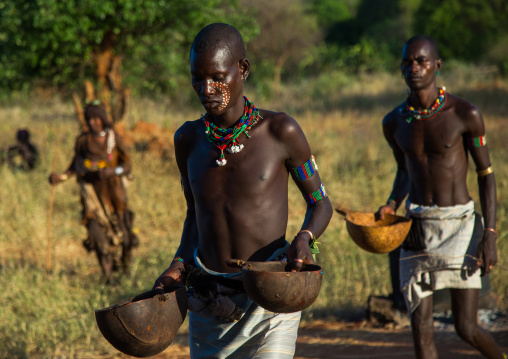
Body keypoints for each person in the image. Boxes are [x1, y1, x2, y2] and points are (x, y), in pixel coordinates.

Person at [152, 23, 332, 359]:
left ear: (242, 69)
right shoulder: (187, 140)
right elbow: (196, 215)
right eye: (196, 78)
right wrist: (179, 264)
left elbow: (320, 202)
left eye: (216, 76)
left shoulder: (281, 131)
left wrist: (305, 238)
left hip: (270, 300)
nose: (206, 89)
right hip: (208, 300)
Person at [376, 35, 504, 358]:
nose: (414, 68)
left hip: (460, 226)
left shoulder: (465, 114)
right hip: (417, 227)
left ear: (437, 65)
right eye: (407, 62)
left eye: (421, 61)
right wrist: (392, 203)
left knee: (467, 327)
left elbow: (486, 176)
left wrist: (489, 234)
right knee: (420, 331)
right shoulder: (394, 122)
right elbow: (405, 171)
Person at [49, 103, 138, 284]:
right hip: (91, 197)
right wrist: (62, 176)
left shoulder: (114, 139)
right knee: (99, 240)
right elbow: (75, 164)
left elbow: (128, 165)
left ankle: (126, 270)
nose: (92, 122)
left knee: (125, 237)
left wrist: (113, 172)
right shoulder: (83, 140)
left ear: (102, 119)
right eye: (88, 119)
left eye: (95, 118)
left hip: (115, 196)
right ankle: (108, 278)